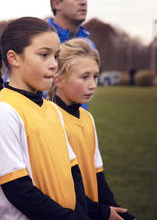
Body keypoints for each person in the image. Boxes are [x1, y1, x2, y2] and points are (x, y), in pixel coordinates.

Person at [0, 17, 90, 220]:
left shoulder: (53, 109)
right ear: (14, 58)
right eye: (44, 55)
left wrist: (81, 214)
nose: (53, 65)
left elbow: (73, 170)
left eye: (56, 56)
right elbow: (18, 190)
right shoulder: (3, 112)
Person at [47, 38, 135, 220]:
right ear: (59, 79)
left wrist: (115, 210)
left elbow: (97, 173)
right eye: (84, 77)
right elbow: (59, 185)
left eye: (95, 76)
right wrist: (100, 212)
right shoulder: (49, 119)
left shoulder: (87, 118)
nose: (93, 84)